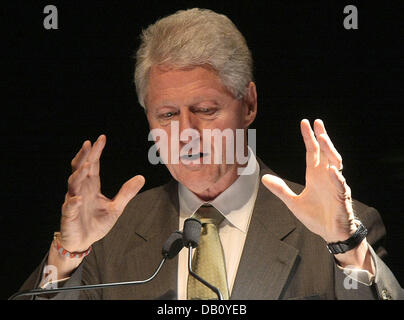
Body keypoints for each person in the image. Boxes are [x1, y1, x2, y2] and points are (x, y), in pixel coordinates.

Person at [18, 8, 403, 300]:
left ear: (248, 104)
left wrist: (346, 244)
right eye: (167, 115)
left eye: (205, 110)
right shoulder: (107, 239)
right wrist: (67, 255)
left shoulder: (338, 231)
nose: (186, 133)